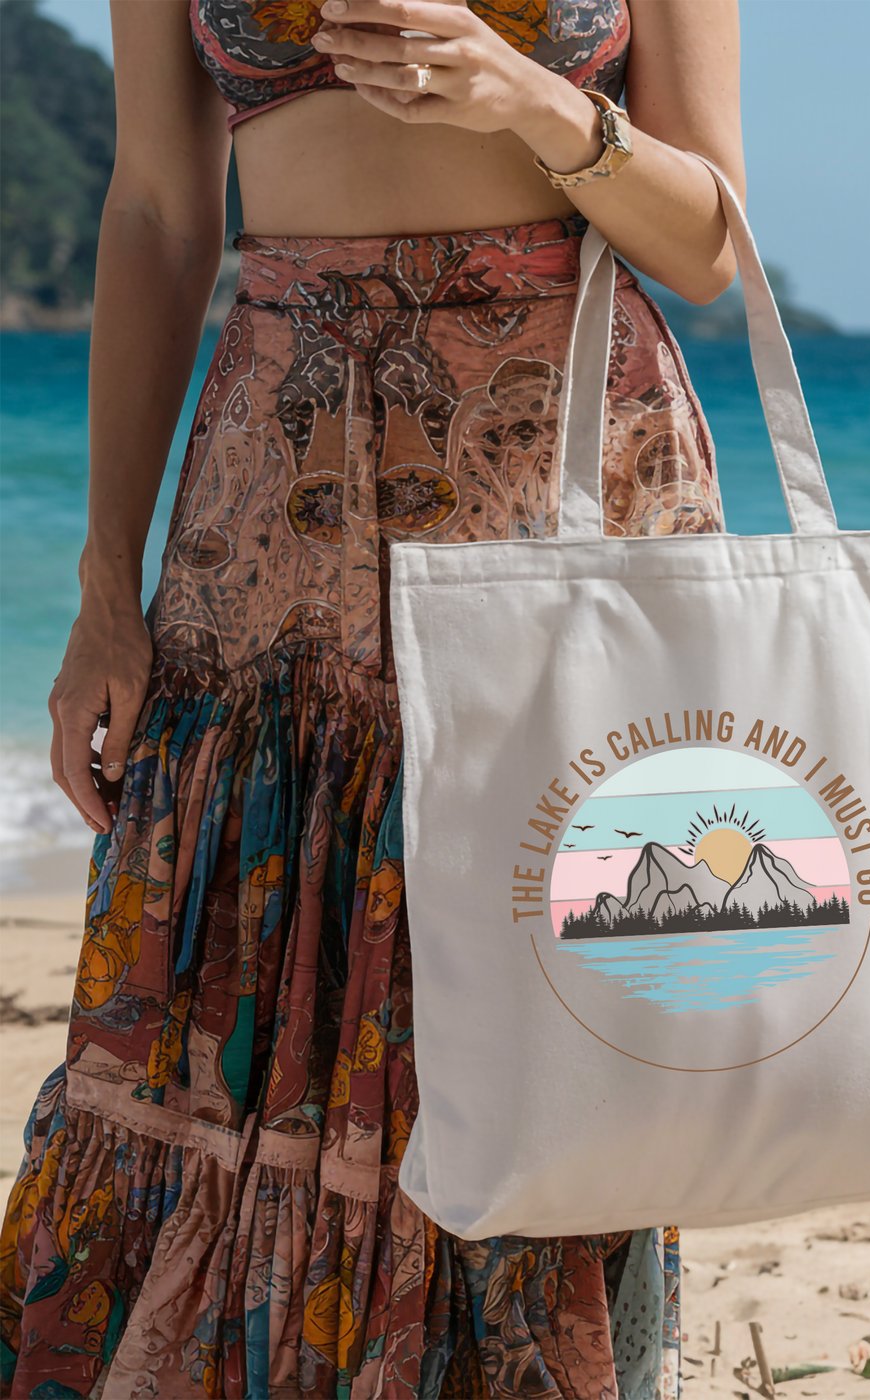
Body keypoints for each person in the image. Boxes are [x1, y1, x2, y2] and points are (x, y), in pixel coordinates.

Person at [0, 0, 741, 1393]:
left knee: (557, 986)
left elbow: (706, 240)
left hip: (562, 464)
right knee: (230, 981)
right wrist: (107, 585)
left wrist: (526, 95)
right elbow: (162, 209)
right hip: (269, 491)